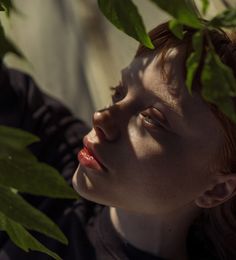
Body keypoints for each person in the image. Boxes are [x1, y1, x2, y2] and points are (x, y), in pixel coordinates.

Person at [1, 21, 236, 260]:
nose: (101, 117)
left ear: (217, 188)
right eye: (119, 92)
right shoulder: (59, 166)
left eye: (152, 119)